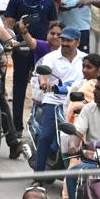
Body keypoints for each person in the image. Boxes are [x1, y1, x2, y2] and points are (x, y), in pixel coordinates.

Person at [31, 27, 84, 178]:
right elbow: (43, 75)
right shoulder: (51, 57)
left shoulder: (84, 59)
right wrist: (44, 83)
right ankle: (38, 176)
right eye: (63, 40)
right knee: (46, 136)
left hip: (78, 102)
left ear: (78, 42)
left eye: (69, 40)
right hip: (54, 100)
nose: (65, 43)